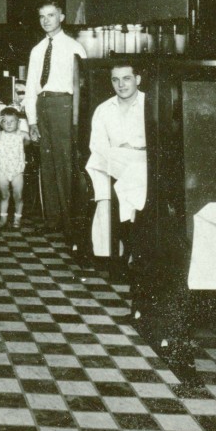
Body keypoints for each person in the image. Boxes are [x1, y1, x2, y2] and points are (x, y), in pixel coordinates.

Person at [24, 0, 87, 253]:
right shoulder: (38, 49)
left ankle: (71, 225)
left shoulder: (75, 48)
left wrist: (75, 119)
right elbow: (30, 87)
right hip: (43, 104)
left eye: (51, 15)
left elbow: (82, 89)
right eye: (41, 16)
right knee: (47, 165)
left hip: (64, 106)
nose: (46, 20)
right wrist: (32, 121)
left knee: (65, 164)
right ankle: (52, 220)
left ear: (61, 16)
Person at [86, 63, 148, 290]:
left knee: (136, 177)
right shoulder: (104, 109)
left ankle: (132, 252)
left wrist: (134, 149)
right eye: (115, 80)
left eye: (126, 78)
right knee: (113, 183)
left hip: (144, 162)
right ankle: (120, 253)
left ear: (137, 79)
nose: (121, 85)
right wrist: (123, 150)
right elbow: (98, 146)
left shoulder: (150, 104)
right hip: (111, 161)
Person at [0, 107, 30, 229]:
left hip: (17, 170)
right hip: (2, 169)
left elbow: (28, 142)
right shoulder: (0, 134)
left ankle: (17, 219)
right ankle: (3, 219)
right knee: (4, 196)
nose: (8, 124)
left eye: (12, 121)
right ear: (1, 123)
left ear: (18, 123)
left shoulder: (22, 134)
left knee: (18, 196)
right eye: (5, 121)